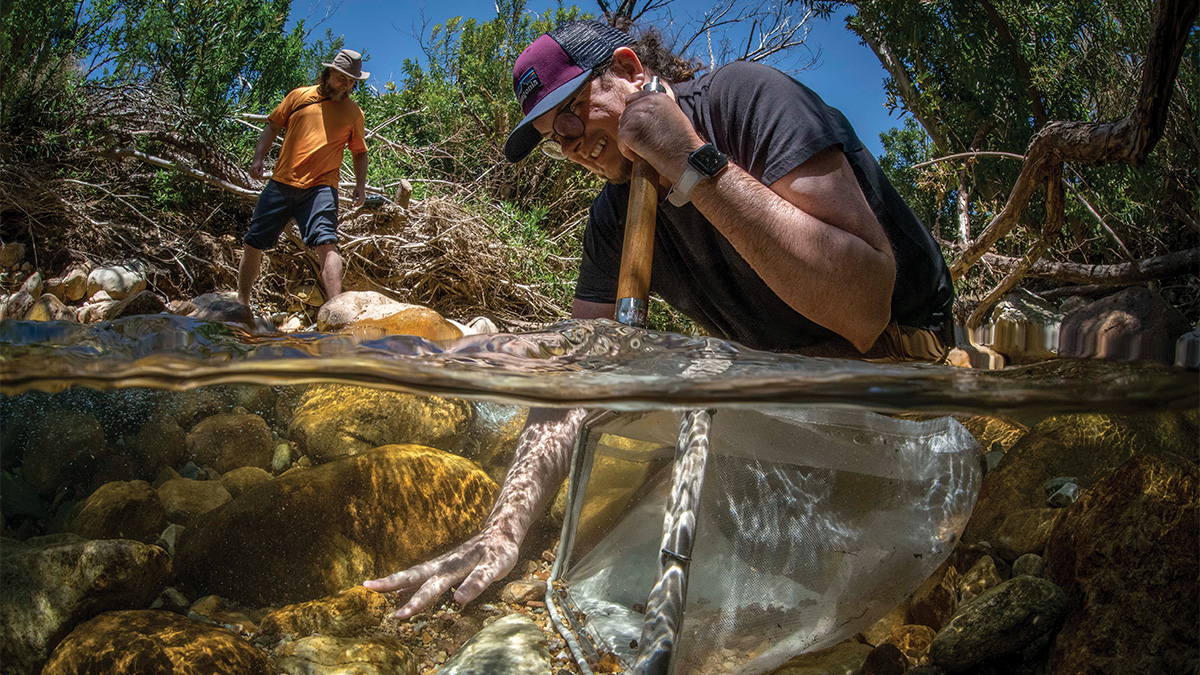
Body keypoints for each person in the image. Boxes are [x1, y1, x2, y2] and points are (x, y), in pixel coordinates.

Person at [364, 20, 954, 616]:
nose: (569, 140)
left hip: (902, 358)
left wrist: (690, 164)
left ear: (626, 69)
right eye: (551, 133)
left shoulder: (746, 99)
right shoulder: (613, 221)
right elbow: (576, 379)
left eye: (572, 107)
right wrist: (504, 530)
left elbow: (863, 309)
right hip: (780, 383)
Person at [236, 49, 370, 307]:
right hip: (282, 182)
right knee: (254, 241)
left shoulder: (354, 112)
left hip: (321, 186)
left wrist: (360, 186)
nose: (348, 85)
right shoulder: (299, 96)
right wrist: (258, 157)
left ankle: (337, 311)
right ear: (329, 73)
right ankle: (241, 306)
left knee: (327, 243)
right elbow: (273, 125)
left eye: (353, 81)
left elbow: (360, 152)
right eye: (343, 78)